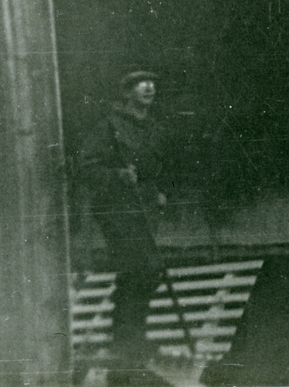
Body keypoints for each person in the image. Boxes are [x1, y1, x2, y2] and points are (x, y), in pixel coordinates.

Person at [78, 71, 172, 387]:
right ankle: (128, 346)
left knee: (143, 273)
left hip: (144, 209)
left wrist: (157, 189)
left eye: (151, 82)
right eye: (139, 84)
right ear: (127, 93)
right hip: (117, 210)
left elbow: (157, 169)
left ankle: (128, 346)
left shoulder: (155, 130)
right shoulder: (109, 126)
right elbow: (87, 166)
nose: (149, 86)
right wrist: (118, 175)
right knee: (142, 269)